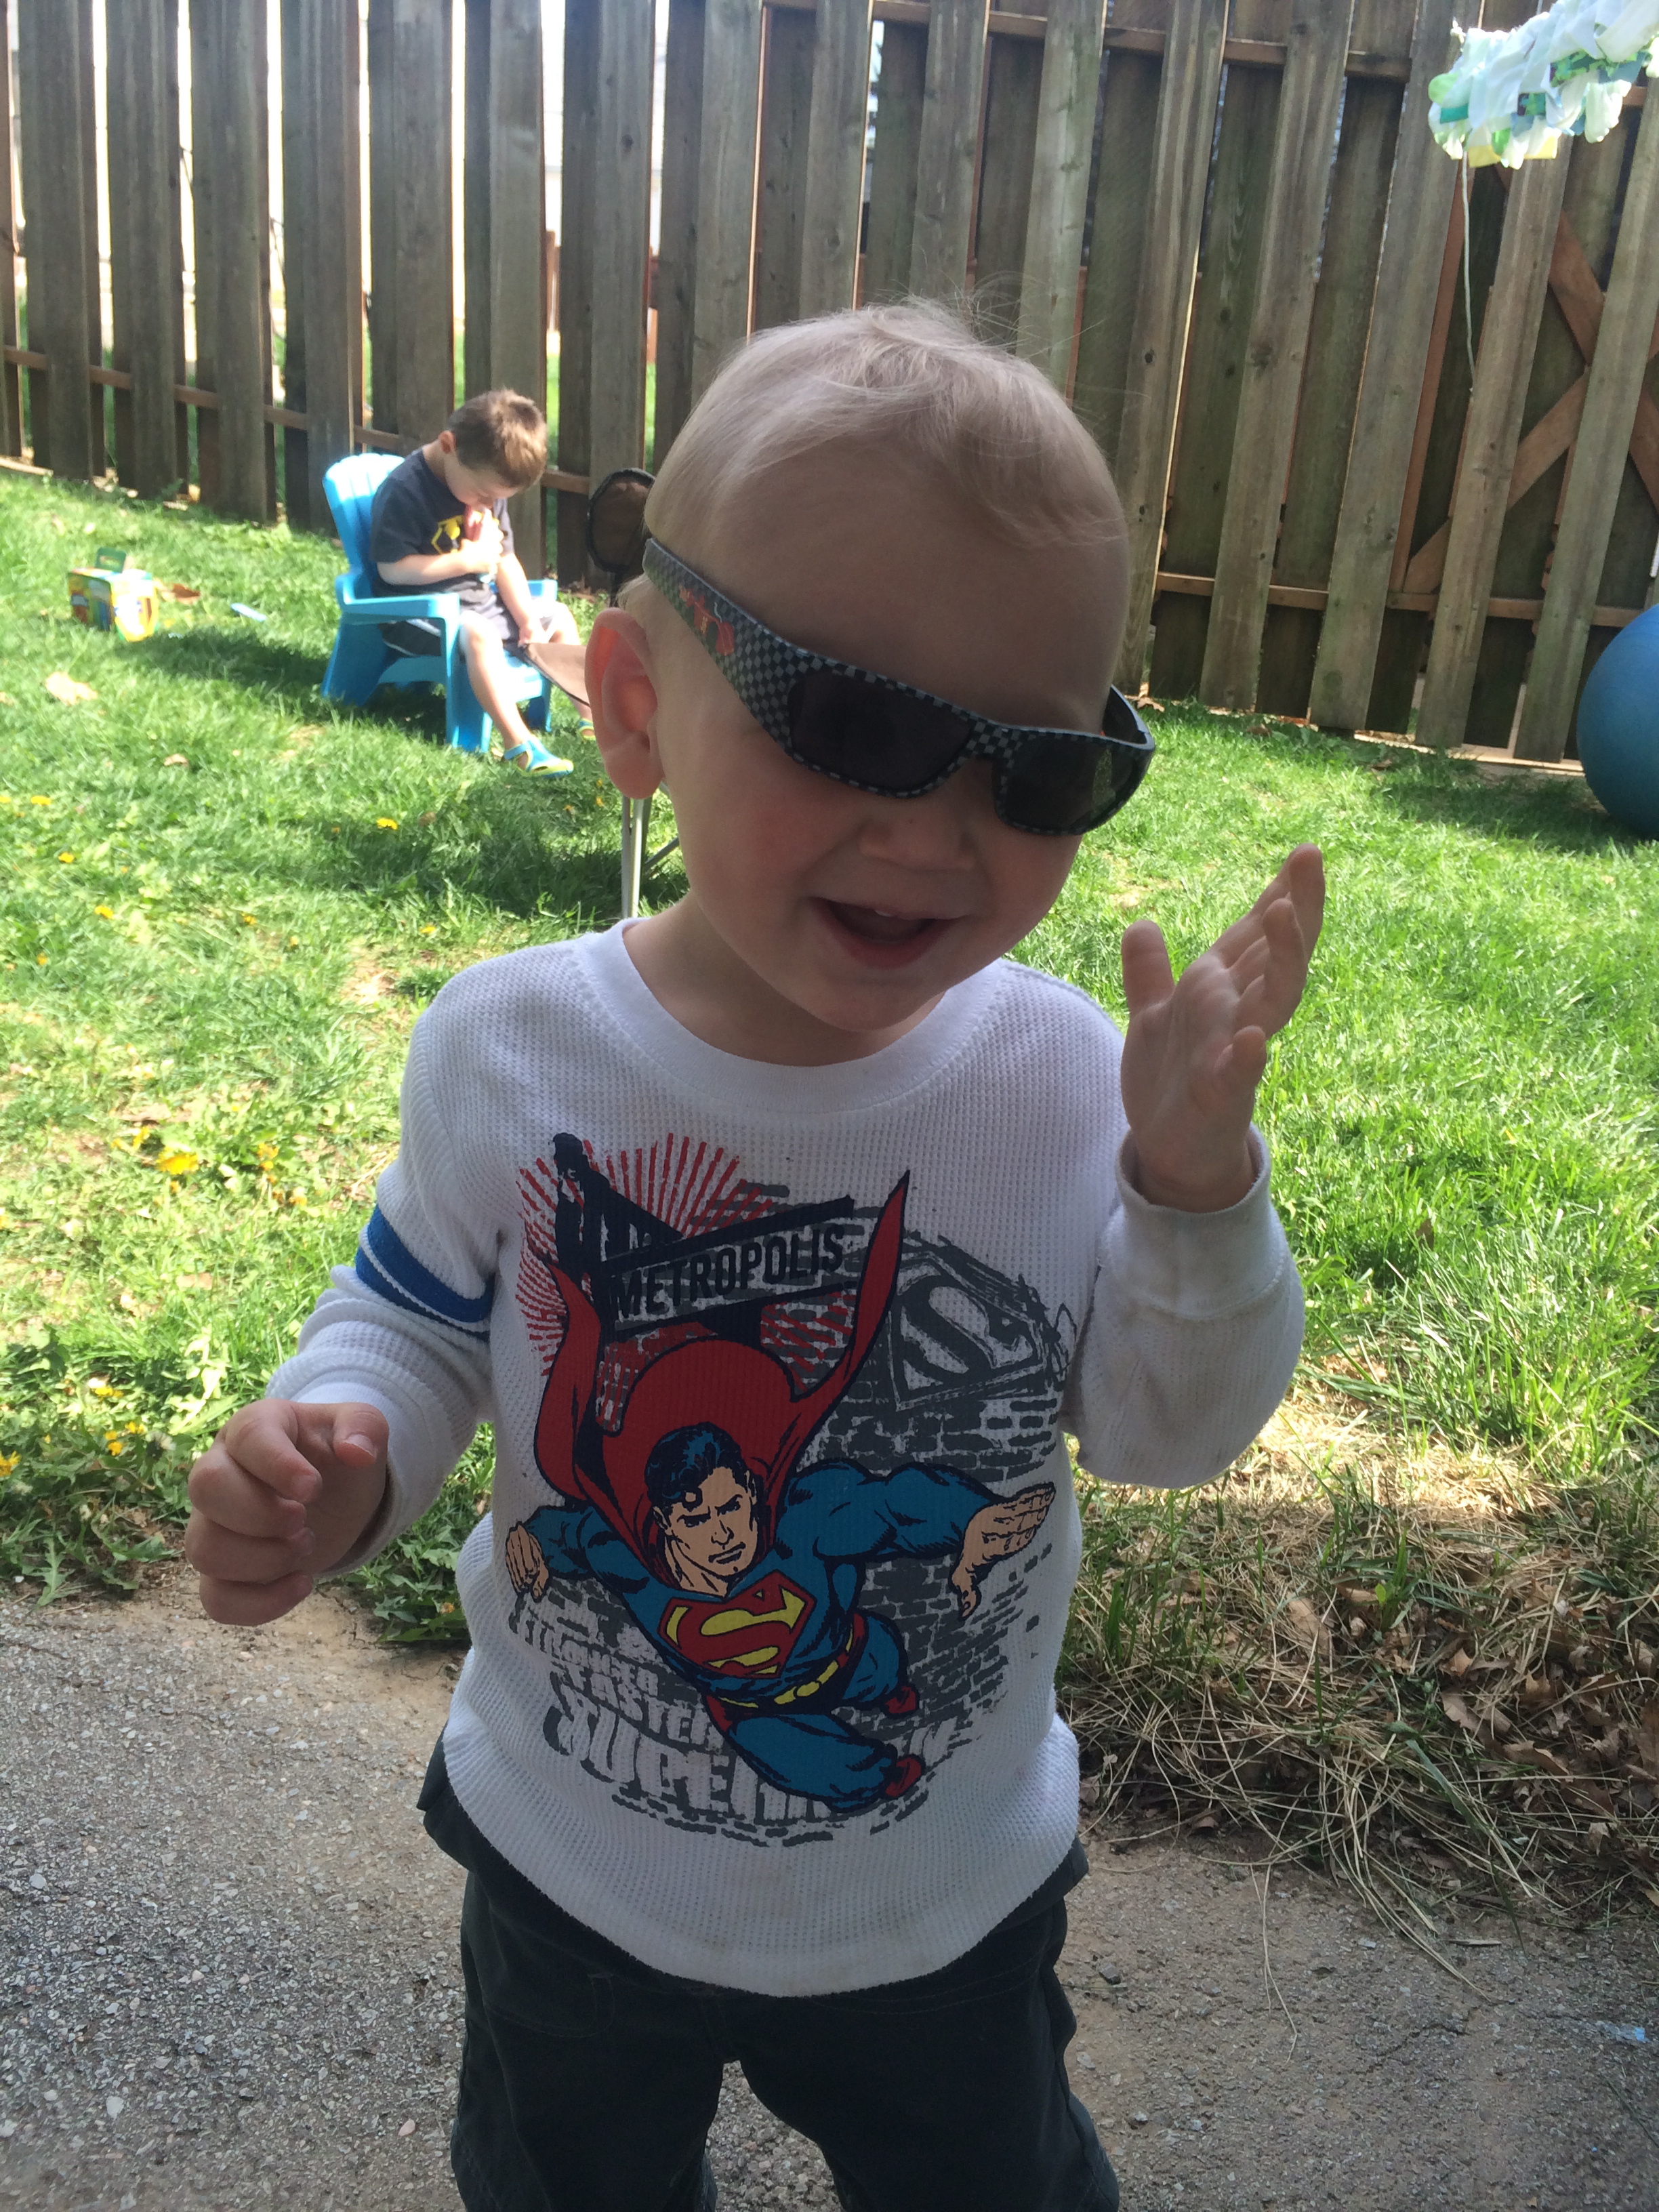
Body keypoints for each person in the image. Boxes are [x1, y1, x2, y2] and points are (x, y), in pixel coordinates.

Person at [184, 302, 1324, 2212]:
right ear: (634, 707)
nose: (934, 831)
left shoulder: (1061, 1087)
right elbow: (416, 1316)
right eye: (853, 723)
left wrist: (1193, 1190)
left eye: (1035, 769)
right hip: (573, 1869)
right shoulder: (509, 1048)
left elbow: (1162, 1433)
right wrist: (340, 1447)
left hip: (934, 1903)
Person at [369, 386, 583, 775]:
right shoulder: (406, 491)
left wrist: (527, 620)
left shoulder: (481, 482)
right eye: (484, 495)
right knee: (479, 633)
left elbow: (505, 560)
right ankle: (519, 744)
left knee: (559, 617)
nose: (488, 505)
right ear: (448, 445)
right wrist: (464, 561)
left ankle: (592, 719)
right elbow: (392, 570)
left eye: (496, 499)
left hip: (478, 606)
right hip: (416, 613)